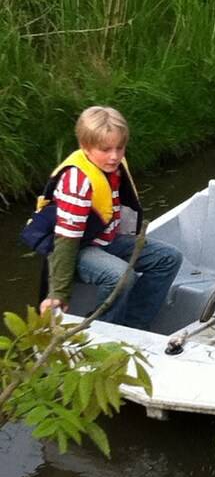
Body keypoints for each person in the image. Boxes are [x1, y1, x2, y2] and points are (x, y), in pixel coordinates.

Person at [29, 106, 183, 328]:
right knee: (121, 276)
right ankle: (105, 330)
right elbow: (66, 240)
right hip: (75, 249)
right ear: (85, 147)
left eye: (119, 148)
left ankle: (133, 326)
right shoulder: (78, 182)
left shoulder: (113, 167)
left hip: (105, 240)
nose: (114, 156)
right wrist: (58, 293)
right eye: (105, 149)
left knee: (168, 258)